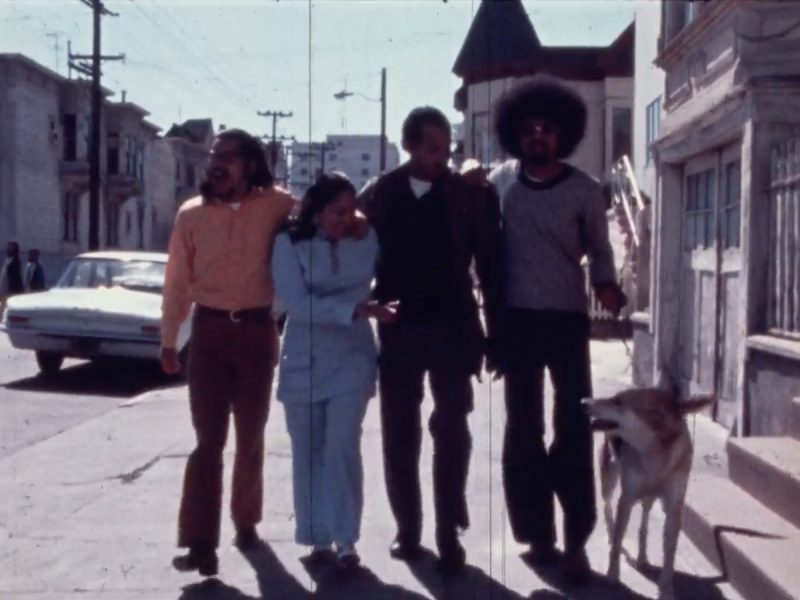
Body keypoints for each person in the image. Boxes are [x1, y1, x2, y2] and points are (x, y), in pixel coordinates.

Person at [492, 75, 626, 584]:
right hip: (516, 323)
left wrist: (609, 287)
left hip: (568, 321)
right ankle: (537, 535)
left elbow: (601, 251)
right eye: (528, 129)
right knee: (522, 429)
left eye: (547, 129)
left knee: (572, 428)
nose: (538, 137)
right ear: (516, 134)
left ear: (563, 134)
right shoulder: (501, 181)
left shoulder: (586, 190)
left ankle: (576, 541)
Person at [360, 106, 503, 573]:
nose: (440, 158)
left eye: (446, 150)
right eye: (431, 149)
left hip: (455, 328)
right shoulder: (379, 194)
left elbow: (491, 266)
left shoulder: (469, 195)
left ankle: (448, 533)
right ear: (410, 145)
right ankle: (409, 528)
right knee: (400, 434)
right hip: (400, 330)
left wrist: (496, 333)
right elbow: (346, 245)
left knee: (452, 432)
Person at [160, 128, 295, 577]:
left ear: (252, 164)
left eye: (230, 157)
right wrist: (168, 340)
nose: (217, 165)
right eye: (214, 156)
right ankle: (200, 542)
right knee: (208, 443)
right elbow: (177, 281)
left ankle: (246, 522)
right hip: (210, 333)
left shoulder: (278, 205)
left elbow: (327, 212)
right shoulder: (191, 215)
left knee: (251, 439)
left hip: (257, 333)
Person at [272, 172, 396, 570]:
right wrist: (355, 310)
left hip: (352, 358)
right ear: (317, 210)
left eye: (351, 210)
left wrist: (365, 309)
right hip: (304, 357)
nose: (347, 219)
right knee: (308, 450)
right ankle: (316, 536)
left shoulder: (366, 238)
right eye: (338, 212)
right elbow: (297, 303)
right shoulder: (289, 245)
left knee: (342, 446)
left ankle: (346, 539)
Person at [1, 241, 24, 310]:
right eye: (8, 247)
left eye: (10, 247)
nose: (8, 249)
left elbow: (15, 277)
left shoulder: (15, 261)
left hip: (11, 289)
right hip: (4, 288)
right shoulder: (7, 260)